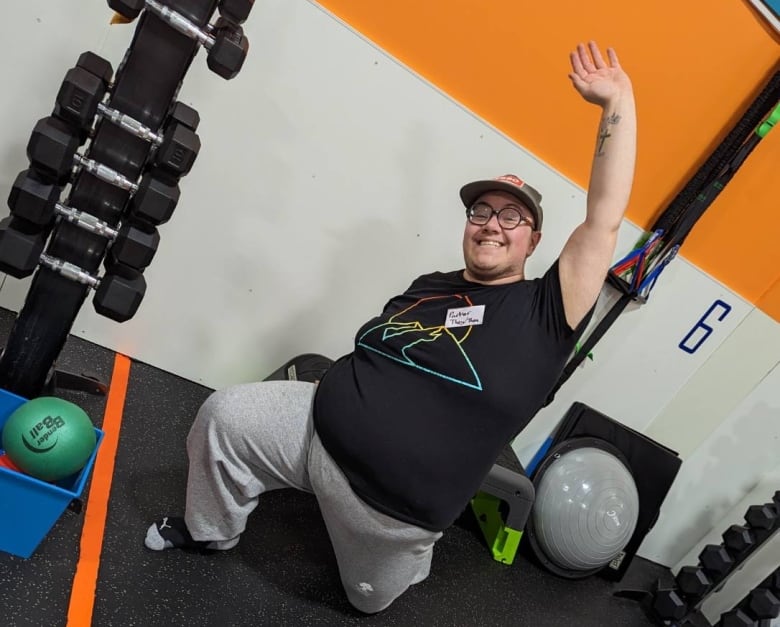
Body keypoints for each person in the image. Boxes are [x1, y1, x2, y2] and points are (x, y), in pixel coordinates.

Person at [144, 40, 637, 614]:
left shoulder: (547, 311)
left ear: (534, 239)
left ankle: (405, 560)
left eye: (512, 217)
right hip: (314, 432)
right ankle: (211, 532)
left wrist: (616, 103)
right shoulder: (430, 283)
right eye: (481, 212)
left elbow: (603, 220)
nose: (491, 226)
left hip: (390, 515)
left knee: (367, 603)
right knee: (224, 417)